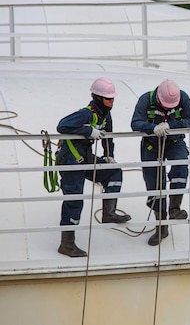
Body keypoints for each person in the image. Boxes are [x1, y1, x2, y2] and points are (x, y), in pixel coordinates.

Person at [56, 77, 131, 257]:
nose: (111, 102)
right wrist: (87, 131)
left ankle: (109, 213)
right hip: (71, 160)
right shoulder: (86, 114)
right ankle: (67, 244)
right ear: (98, 98)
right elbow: (62, 125)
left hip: (85, 157)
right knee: (74, 200)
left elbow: (108, 136)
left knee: (113, 172)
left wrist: (109, 155)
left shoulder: (105, 115)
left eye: (113, 99)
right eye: (108, 99)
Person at [131, 79, 190, 246]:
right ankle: (161, 226)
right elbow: (135, 123)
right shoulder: (146, 100)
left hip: (174, 142)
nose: (169, 108)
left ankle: (175, 208)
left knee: (181, 166)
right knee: (155, 183)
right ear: (159, 97)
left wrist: (171, 125)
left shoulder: (183, 98)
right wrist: (152, 128)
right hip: (151, 145)